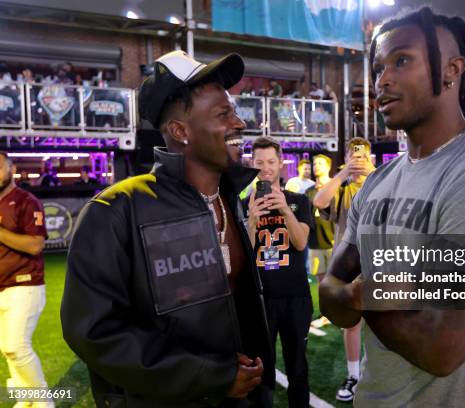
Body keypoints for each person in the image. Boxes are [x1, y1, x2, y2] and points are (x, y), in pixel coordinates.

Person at [319, 7, 465, 407]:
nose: (382, 80)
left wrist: (361, 296)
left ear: (452, 70)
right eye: (378, 67)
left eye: (401, 60)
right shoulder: (379, 181)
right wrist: (366, 295)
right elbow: (329, 294)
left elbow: (441, 348)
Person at [61, 50, 274, 407]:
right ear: (180, 131)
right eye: (224, 114)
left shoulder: (231, 197)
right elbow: (93, 332)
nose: (238, 123)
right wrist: (209, 376)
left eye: (233, 111)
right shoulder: (115, 211)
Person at [246, 136, 313, 407]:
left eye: (271, 161)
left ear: (280, 163)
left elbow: (300, 242)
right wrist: (251, 221)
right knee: (262, 369)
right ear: (251, 164)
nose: (265, 168)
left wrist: (284, 209)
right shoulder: (242, 203)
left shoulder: (298, 201)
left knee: (298, 367)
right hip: (261, 298)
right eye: (259, 162)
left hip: (295, 296)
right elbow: (244, 256)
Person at [312, 137, 375, 402]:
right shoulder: (342, 186)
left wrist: (371, 171)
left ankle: (374, 374)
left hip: (379, 263)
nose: (357, 160)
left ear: (369, 156)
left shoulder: (379, 181)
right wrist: (344, 172)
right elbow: (319, 201)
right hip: (348, 266)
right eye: (353, 155)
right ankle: (353, 375)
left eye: (362, 155)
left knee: (382, 324)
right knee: (351, 325)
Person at [0, 151, 54, 408]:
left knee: (15, 347)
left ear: (11, 168)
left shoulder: (25, 201)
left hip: (24, 284)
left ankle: (44, 402)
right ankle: (26, 400)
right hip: (1, 285)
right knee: (7, 350)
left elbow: (34, 245)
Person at [305, 154, 334, 285]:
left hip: (335, 242)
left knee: (338, 281)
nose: (316, 166)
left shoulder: (337, 188)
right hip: (315, 243)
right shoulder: (308, 191)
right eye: (314, 164)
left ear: (328, 167)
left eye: (320, 163)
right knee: (321, 283)